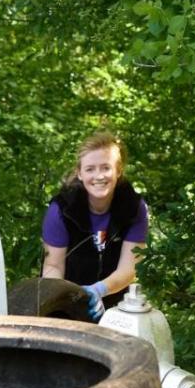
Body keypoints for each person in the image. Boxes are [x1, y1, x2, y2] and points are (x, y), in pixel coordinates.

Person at [40, 131, 149, 321]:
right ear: (79, 174)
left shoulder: (134, 207)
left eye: (105, 168)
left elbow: (129, 269)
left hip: (116, 304)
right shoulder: (61, 209)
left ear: (119, 171)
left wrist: (98, 290)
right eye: (90, 169)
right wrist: (63, 300)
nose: (98, 176)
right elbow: (53, 266)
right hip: (66, 301)